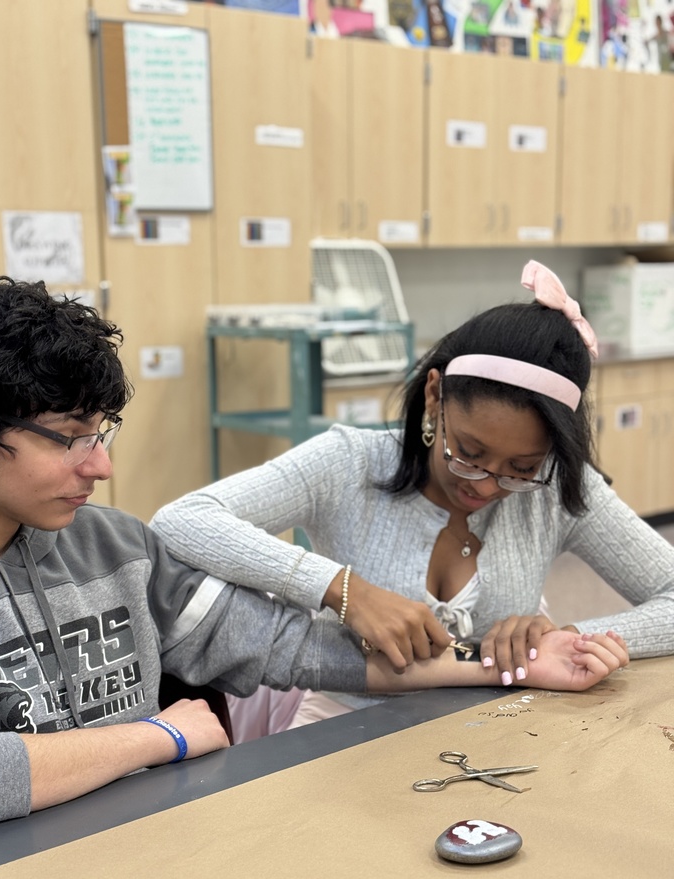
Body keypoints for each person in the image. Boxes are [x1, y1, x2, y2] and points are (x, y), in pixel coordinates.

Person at [0, 273, 627, 840]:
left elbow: (290, 648)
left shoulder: (110, 547)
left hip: (137, 854)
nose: (101, 469)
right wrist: (157, 736)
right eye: (70, 439)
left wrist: (519, 665)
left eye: (104, 435)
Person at [151, 260, 670, 734]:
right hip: (345, 721)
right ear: (434, 397)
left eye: (520, 470)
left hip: (496, 719)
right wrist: (342, 588)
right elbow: (181, 520)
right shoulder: (350, 463)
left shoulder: (557, 488)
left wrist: (572, 636)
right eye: (468, 452)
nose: (486, 485)